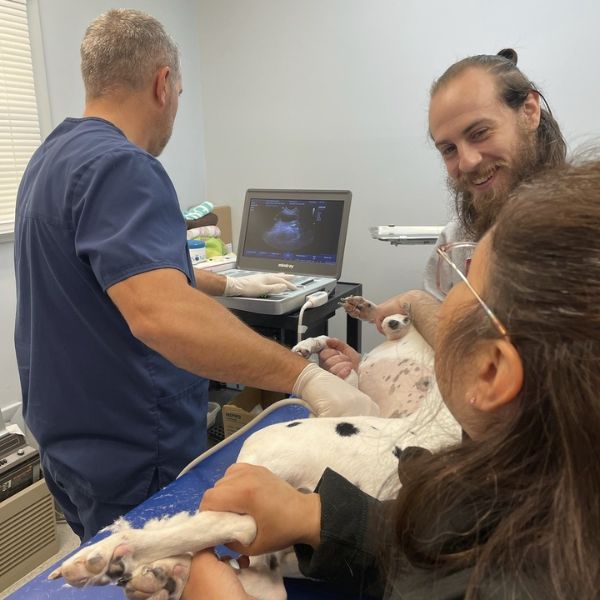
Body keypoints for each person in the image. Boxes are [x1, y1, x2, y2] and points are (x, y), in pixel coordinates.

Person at [13, 9, 375, 541]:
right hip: (133, 449)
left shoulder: (50, 158)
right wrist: (303, 377)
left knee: (111, 563)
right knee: (159, 573)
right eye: (180, 92)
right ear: (163, 83)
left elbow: (118, 271)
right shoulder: (124, 166)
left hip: (68, 439)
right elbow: (160, 314)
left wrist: (229, 283)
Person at [181, 158, 600, 599]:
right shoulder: (524, 495)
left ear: (492, 373)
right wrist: (315, 517)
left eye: (463, 278)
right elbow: (436, 545)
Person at [321, 49, 567, 379]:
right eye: (448, 149)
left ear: (529, 111)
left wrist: (414, 301)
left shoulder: (581, 232)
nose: (466, 162)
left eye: (480, 133)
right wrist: (372, 369)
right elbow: (433, 344)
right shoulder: (456, 239)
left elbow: (500, 374)